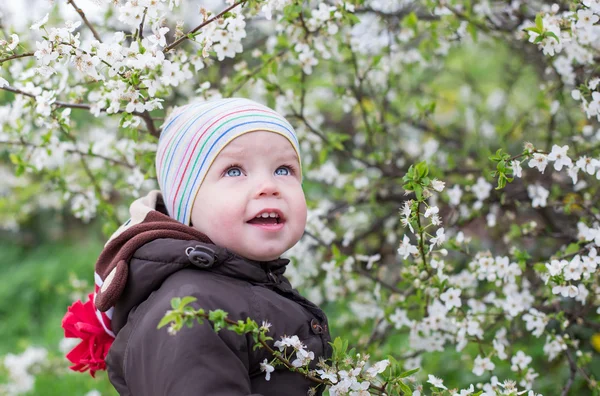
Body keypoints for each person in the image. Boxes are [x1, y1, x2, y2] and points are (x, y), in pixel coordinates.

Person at [61, 98, 332, 395]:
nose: (270, 186)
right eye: (234, 171)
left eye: (283, 170)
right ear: (186, 205)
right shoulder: (190, 309)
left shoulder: (247, 284)